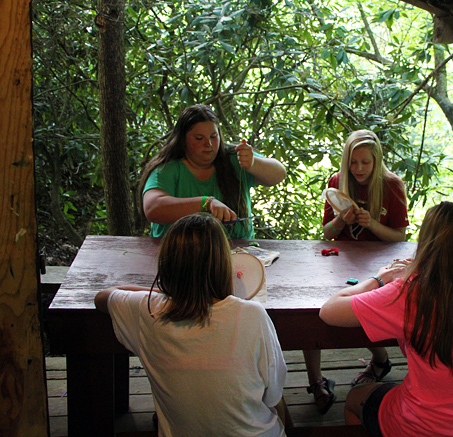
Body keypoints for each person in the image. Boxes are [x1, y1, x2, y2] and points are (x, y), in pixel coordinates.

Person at [319, 202, 453, 437]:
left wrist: (380, 278)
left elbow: (329, 310)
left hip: (428, 428)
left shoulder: (415, 291)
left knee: (356, 397)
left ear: (427, 241)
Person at [94, 214, 288, 436]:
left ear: (167, 264)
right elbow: (273, 394)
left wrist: (172, 296)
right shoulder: (252, 315)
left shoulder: (148, 311)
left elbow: (103, 297)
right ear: (223, 264)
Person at [304, 130, 410, 414]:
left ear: (376, 162)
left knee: (365, 311)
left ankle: (380, 360)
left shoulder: (392, 185)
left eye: (366, 162)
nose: (359, 169)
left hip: (381, 266)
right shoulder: (337, 183)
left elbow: (399, 237)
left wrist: (372, 223)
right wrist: (341, 218)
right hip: (341, 263)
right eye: (354, 162)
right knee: (312, 311)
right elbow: (327, 233)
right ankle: (316, 381)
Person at [140, 104, 286, 238]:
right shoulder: (167, 169)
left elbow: (279, 174)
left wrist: (253, 164)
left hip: (237, 255)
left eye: (213, 137)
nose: (208, 144)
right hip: (179, 257)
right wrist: (206, 203)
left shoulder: (234, 159)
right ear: (182, 140)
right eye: (199, 138)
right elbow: (153, 208)